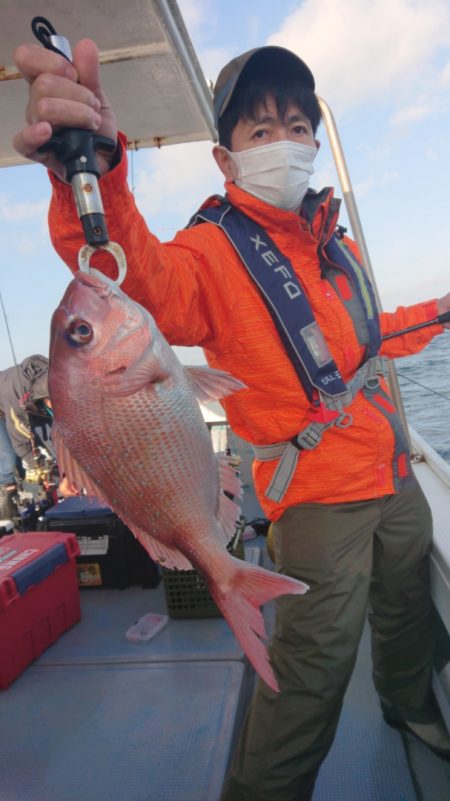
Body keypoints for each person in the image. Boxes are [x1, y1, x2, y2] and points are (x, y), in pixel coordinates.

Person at [13, 39, 450, 799]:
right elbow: (136, 271)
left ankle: (409, 700)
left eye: (297, 125)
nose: (285, 141)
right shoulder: (212, 251)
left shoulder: (332, 243)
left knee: (409, 601)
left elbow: (374, 334)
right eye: (260, 130)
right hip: (316, 500)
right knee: (310, 673)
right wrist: (96, 173)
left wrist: (443, 311)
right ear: (225, 157)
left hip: (392, 474)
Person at [0, 354, 76, 523]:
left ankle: (63, 482)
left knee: (52, 446)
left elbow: (56, 437)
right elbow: (21, 443)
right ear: (45, 398)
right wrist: (45, 471)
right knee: (9, 460)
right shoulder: (17, 397)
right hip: (6, 410)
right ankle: (7, 514)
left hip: (27, 405)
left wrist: (65, 471)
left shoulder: (54, 378)